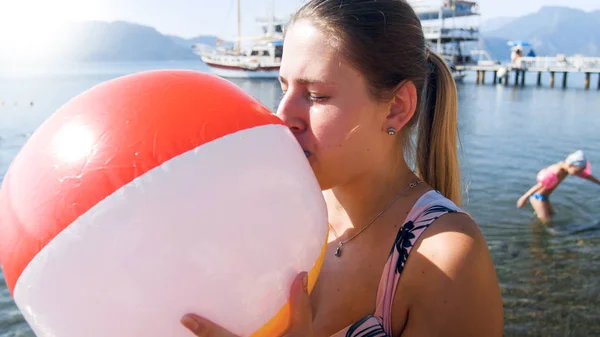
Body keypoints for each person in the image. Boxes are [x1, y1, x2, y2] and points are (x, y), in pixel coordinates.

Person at [180, 0, 504, 336]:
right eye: (284, 87)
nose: (281, 116)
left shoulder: (446, 261)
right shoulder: (282, 209)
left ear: (396, 107)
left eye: (316, 95)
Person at [517, 150, 600, 224]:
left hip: (544, 198)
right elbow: (539, 185)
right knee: (548, 223)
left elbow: (586, 175)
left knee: (551, 215)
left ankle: (535, 226)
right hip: (537, 198)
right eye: (577, 171)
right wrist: (524, 198)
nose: (578, 173)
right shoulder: (556, 172)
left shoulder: (567, 167)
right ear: (570, 165)